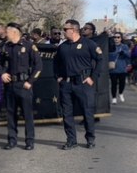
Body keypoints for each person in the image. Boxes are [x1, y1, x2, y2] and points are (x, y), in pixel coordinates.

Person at [54, 19, 102, 149]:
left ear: (73, 30)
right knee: (67, 113)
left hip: (83, 83)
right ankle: (71, 140)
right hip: (67, 84)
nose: (63, 32)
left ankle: (90, 138)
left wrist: (93, 77)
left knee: (87, 112)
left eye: (65, 29)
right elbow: (55, 63)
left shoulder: (88, 44)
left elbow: (100, 60)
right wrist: (58, 77)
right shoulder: (62, 46)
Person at [0, 22, 41, 151]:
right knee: (11, 114)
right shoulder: (6, 47)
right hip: (10, 85)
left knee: (27, 114)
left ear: (14, 32)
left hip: (24, 85)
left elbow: (38, 65)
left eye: (7, 32)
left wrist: (30, 81)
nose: (6, 34)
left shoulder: (28, 46)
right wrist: (2, 74)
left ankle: (29, 141)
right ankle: (12, 140)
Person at [108, 33, 130, 103]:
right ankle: (114, 97)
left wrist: (123, 52)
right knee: (113, 84)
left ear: (121, 38)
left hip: (122, 68)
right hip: (113, 68)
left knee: (122, 83)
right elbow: (107, 55)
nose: (116, 39)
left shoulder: (124, 46)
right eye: (115, 37)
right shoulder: (110, 46)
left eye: (118, 37)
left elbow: (128, 55)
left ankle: (120, 93)